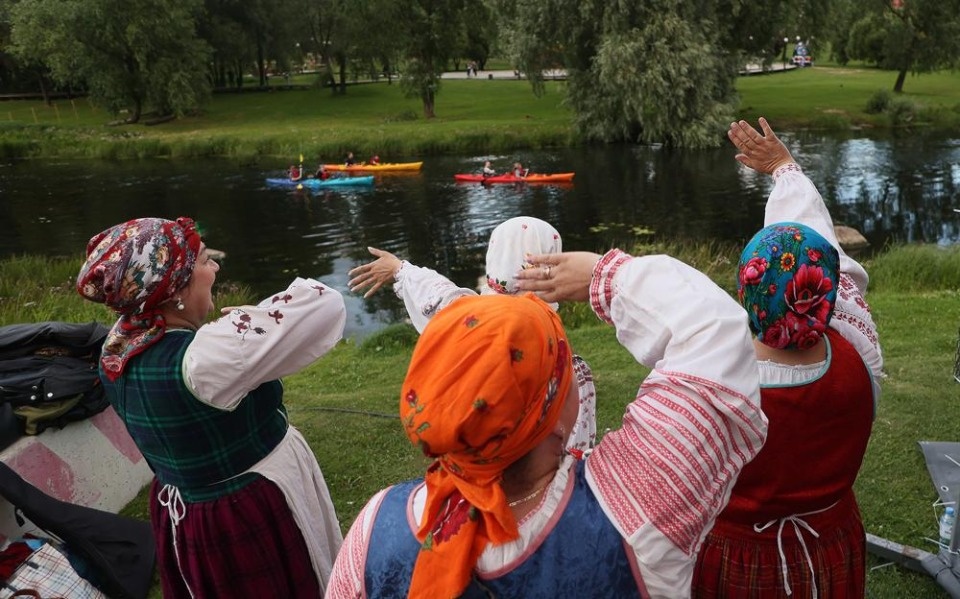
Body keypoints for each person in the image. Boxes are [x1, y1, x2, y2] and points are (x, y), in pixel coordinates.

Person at [327, 243, 767, 597]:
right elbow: (714, 332)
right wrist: (604, 275)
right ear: (554, 418)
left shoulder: (374, 528)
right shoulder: (637, 506)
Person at [76, 217, 346, 598]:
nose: (215, 268)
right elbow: (327, 302)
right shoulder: (208, 357)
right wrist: (248, 317)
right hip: (247, 506)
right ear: (175, 289)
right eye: (203, 261)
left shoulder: (117, 348)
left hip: (186, 510)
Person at [692, 118, 883, 598]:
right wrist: (784, 169)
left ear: (744, 292)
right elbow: (816, 248)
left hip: (734, 555)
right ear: (831, 294)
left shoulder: (710, 384)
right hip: (830, 545)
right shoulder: (858, 349)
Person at [347, 216, 596, 456]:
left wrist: (399, 269)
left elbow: (438, 294)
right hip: (542, 474)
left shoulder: (468, 318)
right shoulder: (562, 364)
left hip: (483, 468)